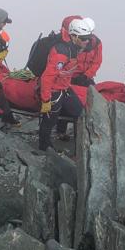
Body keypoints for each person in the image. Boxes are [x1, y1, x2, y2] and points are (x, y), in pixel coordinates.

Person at [37, 18, 89, 151]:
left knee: (79, 112)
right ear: (73, 36)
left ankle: (80, 147)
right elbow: (47, 77)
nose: (86, 41)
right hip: (54, 90)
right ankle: (44, 147)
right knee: (50, 119)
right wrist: (46, 99)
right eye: (84, 38)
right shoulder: (62, 52)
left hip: (64, 88)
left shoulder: (73, 48)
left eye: (88, 37)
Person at [55, 16, 101, 140]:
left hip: (85, 77)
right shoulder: (76, 40)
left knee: (88, 100)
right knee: (66, 97)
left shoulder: (97, 44)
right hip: (71, 75)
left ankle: (80, 133)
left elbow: (97, 62)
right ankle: (61, 130)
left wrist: (87, 75)